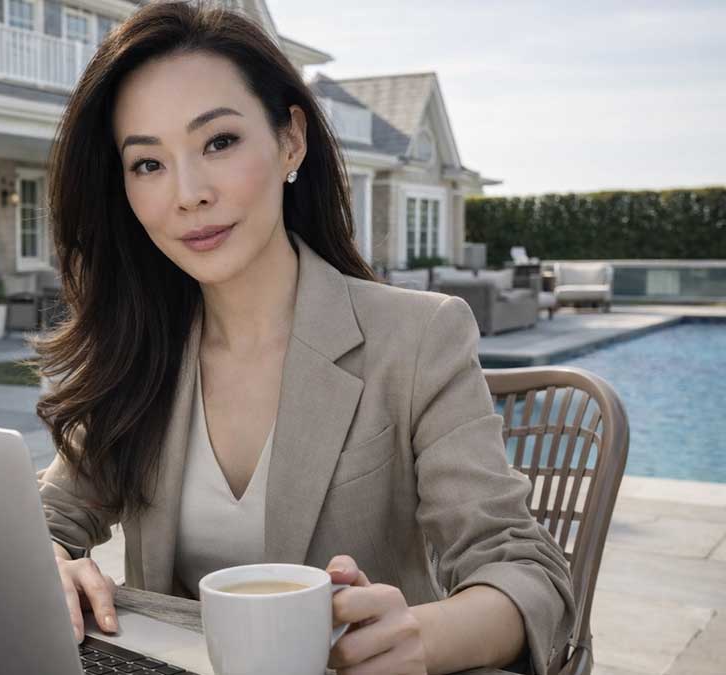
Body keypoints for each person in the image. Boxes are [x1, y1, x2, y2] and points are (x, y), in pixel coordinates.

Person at [34, 3, 574, 674]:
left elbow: (524, 567)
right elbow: (43, 518)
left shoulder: (418, 337)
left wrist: (421, 638)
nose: (188, 193)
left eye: (219, 142)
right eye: (148, 164)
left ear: (291, 140)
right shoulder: (142, 349)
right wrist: (49, 563)